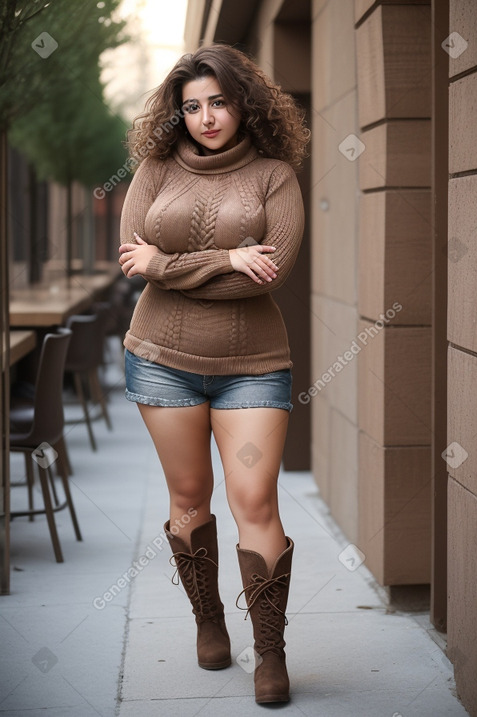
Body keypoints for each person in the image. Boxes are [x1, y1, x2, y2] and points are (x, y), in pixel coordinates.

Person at [118, 43, 309, 705]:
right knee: (190, 498)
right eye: (191, 105)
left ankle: (272, 654)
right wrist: (229, 254)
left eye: (218, 101)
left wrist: (167, 264)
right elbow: (130, 258)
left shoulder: (274, 175)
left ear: (243, 102)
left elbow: (264, 274)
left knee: (255, 501)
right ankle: (208, 621)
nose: (205, 116)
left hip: (252, 365)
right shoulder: (154, 168)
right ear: (178, 113)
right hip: (161, 360)